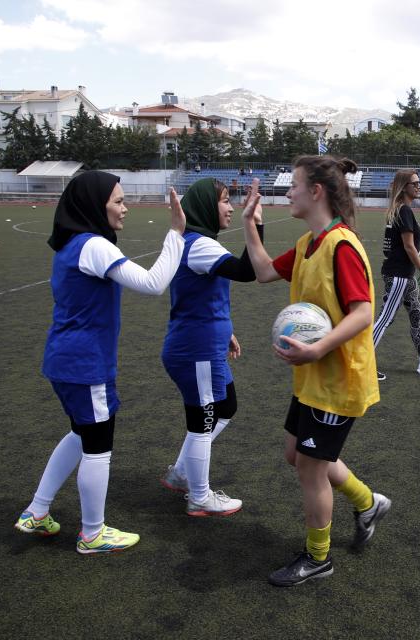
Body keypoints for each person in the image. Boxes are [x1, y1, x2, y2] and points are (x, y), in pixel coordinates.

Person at [14, 171, 186, 553]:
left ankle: (37, 511)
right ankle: (93, 533)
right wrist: (176, 232)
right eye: (118, 201)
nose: (125, 209)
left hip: (65, 359)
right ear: (95, 205)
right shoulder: (93, 245)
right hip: (84, 363)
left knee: (81, 434)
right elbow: (153, 284)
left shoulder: (74, 244)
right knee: (97, 445)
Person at [240, 155, 390, 587]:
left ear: (316, 191)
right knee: (298, 456)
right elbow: (265, 271)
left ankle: (318, 558)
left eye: (294, 185)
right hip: (312, 376)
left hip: (338, 379)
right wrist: (251, 223)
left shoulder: (342, 245)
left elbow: (363, 313)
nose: (287, 192)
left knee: (309, 466)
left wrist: (318, 348)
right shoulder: (310, 243)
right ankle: (367, 502)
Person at [159, 178, 264, 516]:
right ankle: (199, 496)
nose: (230, 207)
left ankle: (179, 474)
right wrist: (254, 222)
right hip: (196, 350)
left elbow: (200, 297)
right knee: (203, 421)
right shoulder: (200, 244)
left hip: (202, 344)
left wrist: (226, 331)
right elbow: (249, 271)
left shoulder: (196, 243)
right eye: (223, 201)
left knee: (226, 406)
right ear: (206, 206)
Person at [371, 169, 420, 381]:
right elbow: (409, 246)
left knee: (417, 314)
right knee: (385, 318)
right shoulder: (403, 211)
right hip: (398, 275)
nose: (419, 186)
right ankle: (360, 364)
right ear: (404, 186)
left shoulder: (400, 210)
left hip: (405, 275)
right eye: (415, 183)